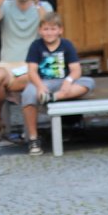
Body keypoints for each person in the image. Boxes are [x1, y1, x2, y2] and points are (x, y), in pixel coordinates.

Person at [0, 0, 53, 143]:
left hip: (32, 65)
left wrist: (37, 3)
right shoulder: (6, 5)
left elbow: (50, 29)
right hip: (8, 65)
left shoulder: (43, 6)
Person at [21, 12, 94, 156]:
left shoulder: (66, 45)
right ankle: (33, 138)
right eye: (46, 29)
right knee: (27, 94)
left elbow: (75, 70)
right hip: (43, 82)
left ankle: (54, 97)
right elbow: (32, 71)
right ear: (40, 30)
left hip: (62, 83)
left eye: (53, 29)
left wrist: (68, 81)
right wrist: (40, 86)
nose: (49, 33)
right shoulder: (36, 46)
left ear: (60, 30)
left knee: (88, 82)